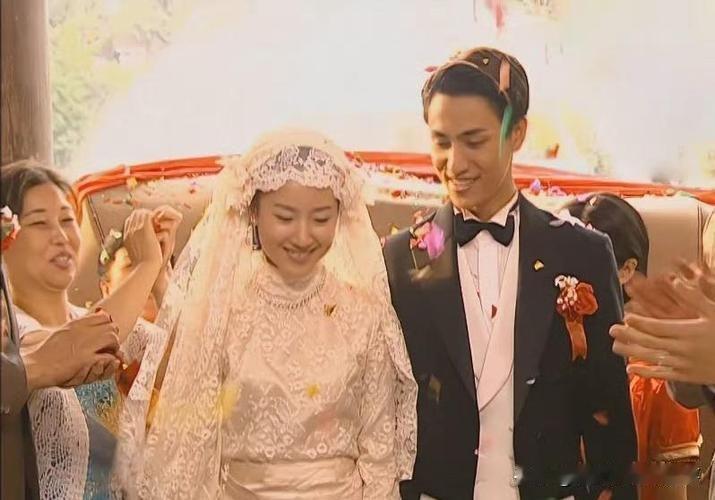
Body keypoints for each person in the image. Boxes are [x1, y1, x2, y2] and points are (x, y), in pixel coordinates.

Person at [383, 47, 637, 499]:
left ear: (517, 133)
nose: (455, 164)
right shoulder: (402, 259)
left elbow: (608, 419)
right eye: (441, 142)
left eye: (474, 141)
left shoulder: (582, 253)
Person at [120, 129, 417, 499]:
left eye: (321, 219)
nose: (303, 236)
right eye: (285, 217)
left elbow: (379, 449)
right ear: (254, 213)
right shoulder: (223, 311)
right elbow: (193, 432)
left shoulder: (363, 313)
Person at [0, 160, 172, 500]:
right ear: (6, 240)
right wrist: (146, 265)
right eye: (39, 223)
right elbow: (84, 342)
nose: (61, 236)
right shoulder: (13, 332)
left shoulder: (107, 321)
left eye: (67, 220)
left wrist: (161, 278)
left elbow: (184, 361)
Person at [565, 193, 700, 500]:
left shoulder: (658, 380)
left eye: (584, 263)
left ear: (626, 270)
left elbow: (670, 494)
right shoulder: (537, 358)